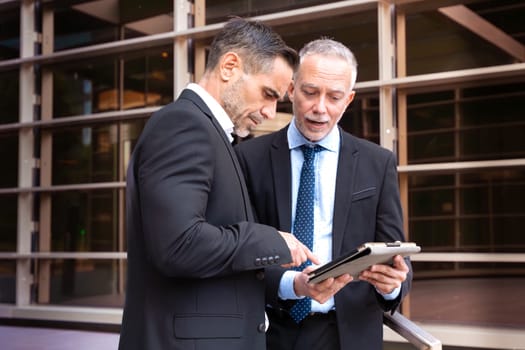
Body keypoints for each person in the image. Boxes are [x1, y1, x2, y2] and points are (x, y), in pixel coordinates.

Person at [118, 18, 318, 350]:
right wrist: (271, 239)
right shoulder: (184, 124)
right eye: (268, 94)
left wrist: (296, 285)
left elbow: (220, 258)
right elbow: (178, 246)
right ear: (229, 67)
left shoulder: (213, 135)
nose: (270, 112)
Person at [235, 38, 412, 350]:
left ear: (349, 100)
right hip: (272, 332)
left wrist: (392, 285)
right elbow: (240, 250)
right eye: (310, 92)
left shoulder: (377, 162)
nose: (320, 108)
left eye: (334, 97)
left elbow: (395, 253)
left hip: (351, 335)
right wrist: (294, 285)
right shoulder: (248, 159)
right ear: (291, 88)